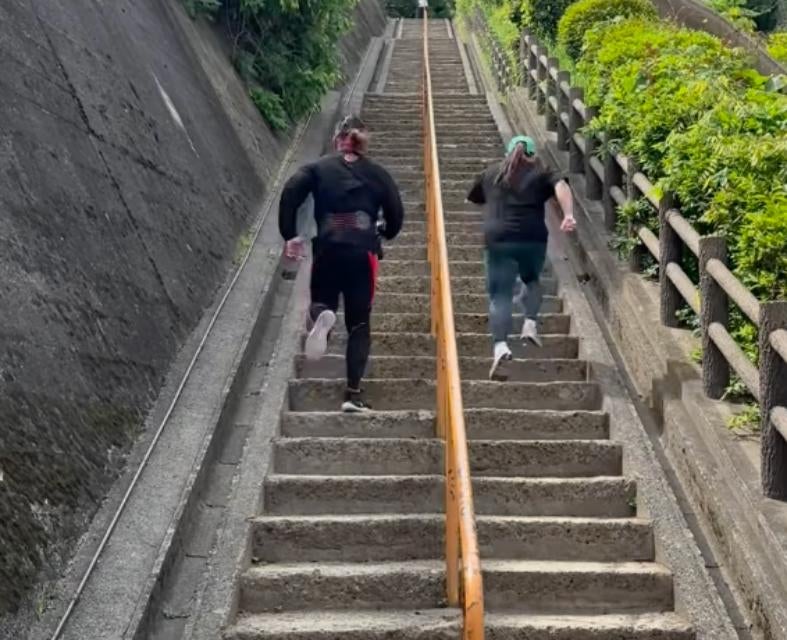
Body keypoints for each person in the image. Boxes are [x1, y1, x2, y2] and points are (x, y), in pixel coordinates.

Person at [278, 115, 404, 412]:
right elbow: (396, 214)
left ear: (338, 140)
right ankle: (353, 395)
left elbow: (290, 191)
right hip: (363, 252)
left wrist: (290, 234)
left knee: (321, 301)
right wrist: (385, 232)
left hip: (328, 247)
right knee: (359, 324)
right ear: (364, 142)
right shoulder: (378, 174)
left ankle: (323, 316)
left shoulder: (318, 168)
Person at [466, 134, 576, 380]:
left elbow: (473, 197)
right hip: (532, 238)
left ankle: (501, 346)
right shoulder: (542, 172)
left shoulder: (491, 173)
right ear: (533, 154)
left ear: (508, 152)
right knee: (531, 280)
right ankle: (530, 323)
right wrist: (568, 214)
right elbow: (561, 186)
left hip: (499, 239)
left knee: (500, 295)